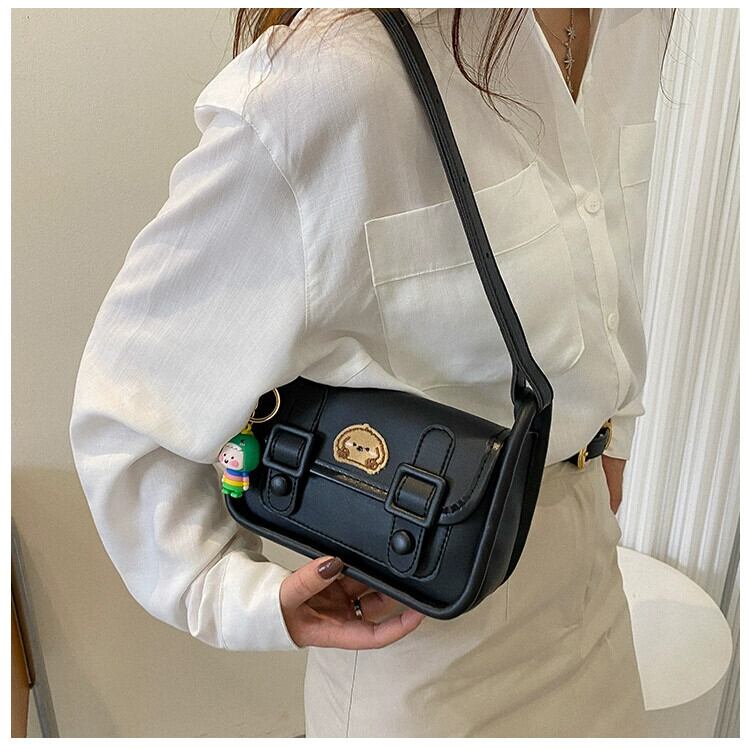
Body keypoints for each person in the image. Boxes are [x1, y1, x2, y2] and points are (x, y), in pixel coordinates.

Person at [69, 7, 673, 738]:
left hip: (596, 591)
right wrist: (232, 593)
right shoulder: (333, 82)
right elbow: (129, 404)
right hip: (427, 638)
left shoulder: (634, 21)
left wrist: (616, 427)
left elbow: (610, 224)